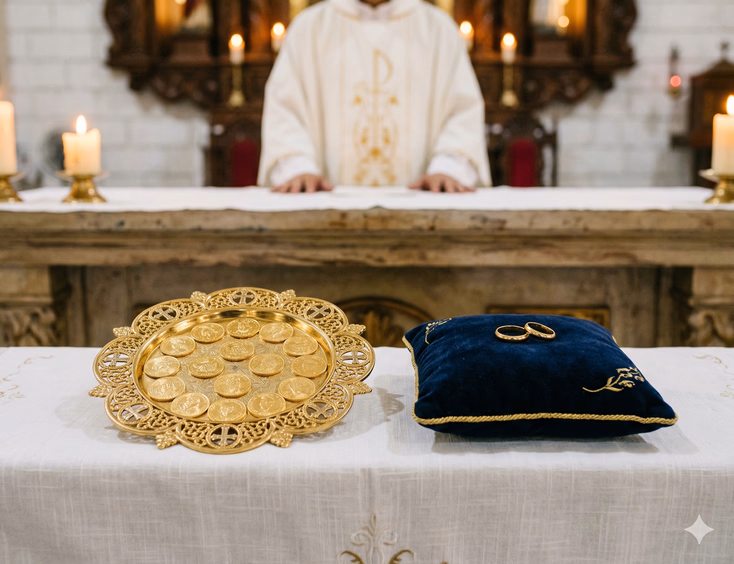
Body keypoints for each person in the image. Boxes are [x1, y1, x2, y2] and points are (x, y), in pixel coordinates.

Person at [258, 0, 491, 193]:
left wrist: (448, 169)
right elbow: (284, 110)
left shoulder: (438, 29)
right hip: (325, 213)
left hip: (423, 214)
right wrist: (298, 168)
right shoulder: (309, 28)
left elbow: (462, 110)